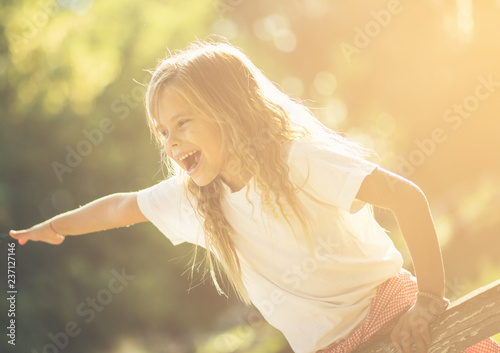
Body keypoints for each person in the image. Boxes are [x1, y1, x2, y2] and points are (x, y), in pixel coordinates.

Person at [10, 39, 500, 353]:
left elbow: (406, 197)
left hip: (395, 313)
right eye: (162, 132)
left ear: (231, 111)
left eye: (183, 123)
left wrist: (430, 301)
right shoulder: (195, 201)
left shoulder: (298, 161)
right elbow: (122, 206)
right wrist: (54, 227)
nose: (172, 142)